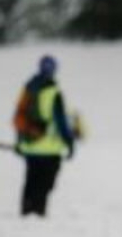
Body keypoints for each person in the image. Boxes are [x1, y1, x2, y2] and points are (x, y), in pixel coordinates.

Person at [13, 55, 75, 217]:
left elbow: (19, 116)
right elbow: (60, 121)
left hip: (30, 145)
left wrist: (19, 141)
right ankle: (38, 212)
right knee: (46, 183)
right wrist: (69, 142)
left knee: (31, 180)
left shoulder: (28, 88)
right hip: (49, 148)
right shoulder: (53, 92)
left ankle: (26, 211)